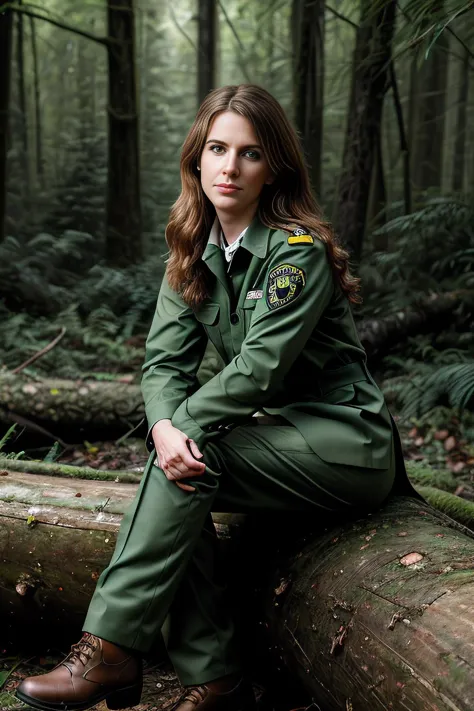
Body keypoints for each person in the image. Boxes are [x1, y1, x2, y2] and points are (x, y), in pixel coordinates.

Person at [17, 84, 416, 711]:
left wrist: (181, 430)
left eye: (250, 153)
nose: (230, 167)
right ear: (196, 160)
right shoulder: (192, 255)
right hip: (275, 435)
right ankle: (215, 681)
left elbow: (256, 371)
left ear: (274, 168)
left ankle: (111, 648)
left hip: (347, 441)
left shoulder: (294, 255)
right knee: (181, 462)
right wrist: (164, 429)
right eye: (217, 148)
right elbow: (161, 366)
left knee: (189, 455)